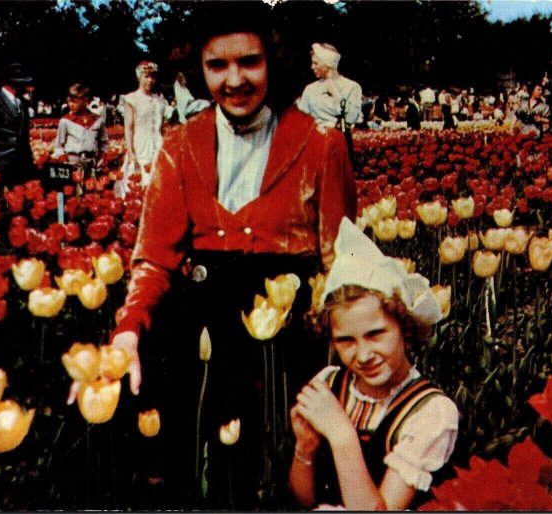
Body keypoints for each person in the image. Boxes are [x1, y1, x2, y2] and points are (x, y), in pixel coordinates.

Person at [105, 5, 356, 509]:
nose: (234, 80)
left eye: (250, 62)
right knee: (199, 471)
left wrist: (345, 357)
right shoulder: (180, 145)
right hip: (201, 336)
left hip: (284, 346)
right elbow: (154, 259)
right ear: (198, 67)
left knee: (277, 473)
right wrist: (130, 328)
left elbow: (341, 264)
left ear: (274, 60)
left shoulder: (320, 144)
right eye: (217, 66)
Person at [289, 217, 458, 510]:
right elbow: (305, 500)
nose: (364, 355)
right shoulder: (330, 383)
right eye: (346, 341)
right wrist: (305, 449)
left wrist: (342, 435)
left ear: (406, 328)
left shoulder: (430, 413)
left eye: (376, 334)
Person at [298, 42, 363, 161]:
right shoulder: (310, 89)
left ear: (327, 63)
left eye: (316, 63)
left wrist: (337, 95)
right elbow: (302, 123)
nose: (312, 67)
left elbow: (352, 118)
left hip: (340, 144)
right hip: (315, 145)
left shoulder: (352, 87)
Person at [0, 62, 36, 188]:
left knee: (22, 199)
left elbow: (24, 133)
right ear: (12, 83)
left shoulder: (23, 103)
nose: (25, 85)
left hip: (23, 162)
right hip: (1, 162)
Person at [119, 61, 170, 191]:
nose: (150, 80)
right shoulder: (132, 99)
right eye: (146, 77)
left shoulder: (160, 101)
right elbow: (129, 128)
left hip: (157, 145)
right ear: (139, 77)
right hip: (140, 146)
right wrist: (131, 152)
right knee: (139, 184)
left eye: (153, 77)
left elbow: (162, 128)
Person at [52, 83, 109, 173]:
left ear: (86, 101)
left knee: (91, 186)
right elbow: (58, 146)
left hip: (91, 162)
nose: (71, 104)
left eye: (74, 102)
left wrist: (102, 158)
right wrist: (65, 162)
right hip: (72, 162)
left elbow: (105, 143)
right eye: (69, 101)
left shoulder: (98, 120)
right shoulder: (65, 121)